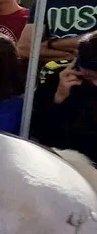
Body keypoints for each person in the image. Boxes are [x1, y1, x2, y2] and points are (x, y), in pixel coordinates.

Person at [30, 30, 97, 161]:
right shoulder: (56, 78)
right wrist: (59, 97)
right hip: (65, 161)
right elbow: (38, 130)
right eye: (90, 76)